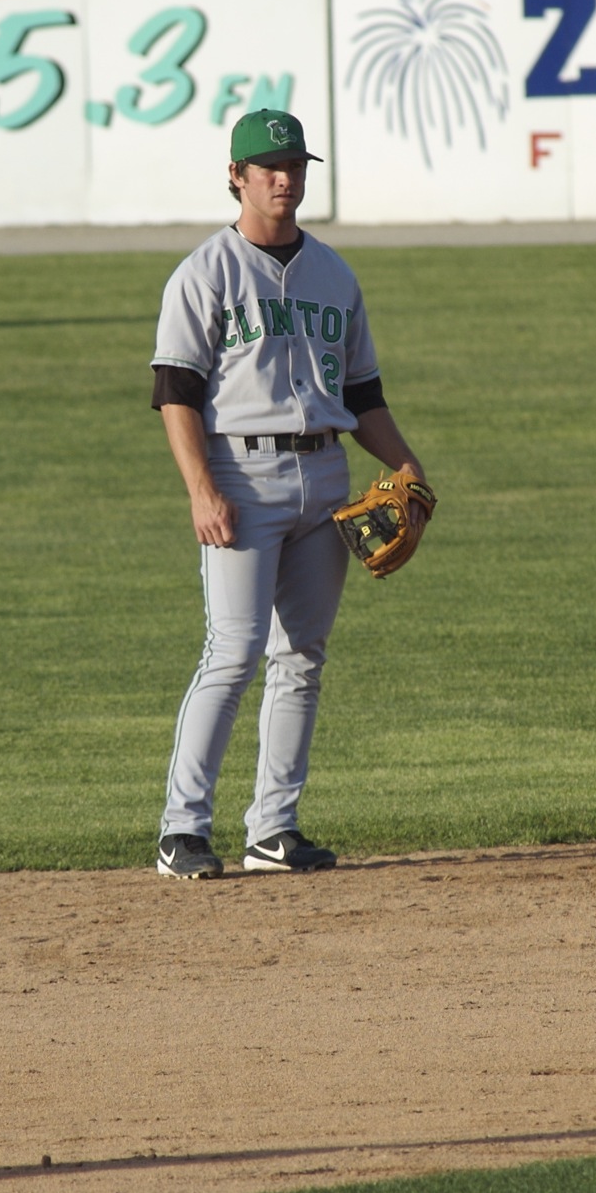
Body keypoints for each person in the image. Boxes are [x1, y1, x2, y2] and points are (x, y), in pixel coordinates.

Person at [150, 108, 428, 879]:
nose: (284, 177)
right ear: (235, 176)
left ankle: (273, 828)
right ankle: (183, 829)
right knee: (233, 652)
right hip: (239, 477)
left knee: (301, 655)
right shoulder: (204, 273)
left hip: (326, 477)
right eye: (269, 166)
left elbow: (364, 393)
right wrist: (200, 487)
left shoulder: (335, 274)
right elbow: (175, 391)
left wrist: (405, 465)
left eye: (295, 165)